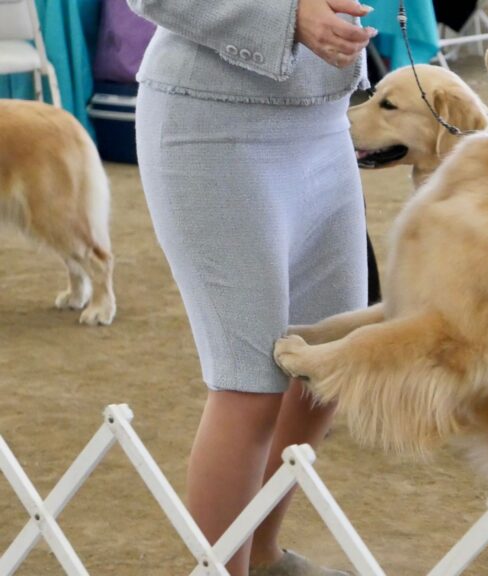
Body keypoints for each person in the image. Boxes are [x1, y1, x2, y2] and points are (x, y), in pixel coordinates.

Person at [129, 0, 376, 573]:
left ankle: (261, 555)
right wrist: (288, 17)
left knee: (325, 367)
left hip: (324, 121)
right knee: (252, 380)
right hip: (210, 123)